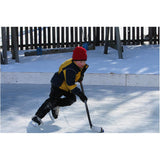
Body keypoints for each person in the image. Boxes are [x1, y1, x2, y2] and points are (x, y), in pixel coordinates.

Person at [32, 46, 89, 126]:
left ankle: (56, 105)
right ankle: (37, 117)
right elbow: (71, 85)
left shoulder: (78, 65)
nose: (83, 63)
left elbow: (78, 74)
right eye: (80, 61)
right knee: (52, 101)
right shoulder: (70, 69)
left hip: (66, 87)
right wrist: (80, 94)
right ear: (75, 60)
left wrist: (80, 77)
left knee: (71, 99)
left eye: (84, 61)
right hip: (58, 85)